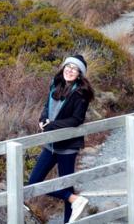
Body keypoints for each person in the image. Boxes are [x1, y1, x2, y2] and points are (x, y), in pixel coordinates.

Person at [27, 54, 95, 223]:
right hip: (51, 144)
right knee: (33, 183)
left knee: (66, 185)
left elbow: (76, 120)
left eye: (74, 68)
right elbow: (47, 107)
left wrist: (52, 125)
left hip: (67, 146)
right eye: (68, 66)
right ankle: (75, 200)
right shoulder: (55, 84)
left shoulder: (81, 93)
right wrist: (43, 120)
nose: (70, 70)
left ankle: (69, 219)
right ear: (63, 67)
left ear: (80, 74)